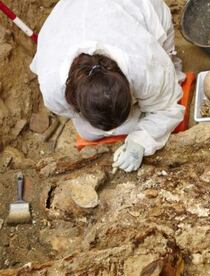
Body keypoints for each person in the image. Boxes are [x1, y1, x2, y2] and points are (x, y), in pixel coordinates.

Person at [30, 0, 186, 172]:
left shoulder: (144, 66)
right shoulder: (53, 89)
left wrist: (140, 143)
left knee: (165, 88)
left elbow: (167, 109)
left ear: (128, 84)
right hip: (68, 14)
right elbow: (72, 114)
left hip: (136, 6)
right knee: (89, 132)